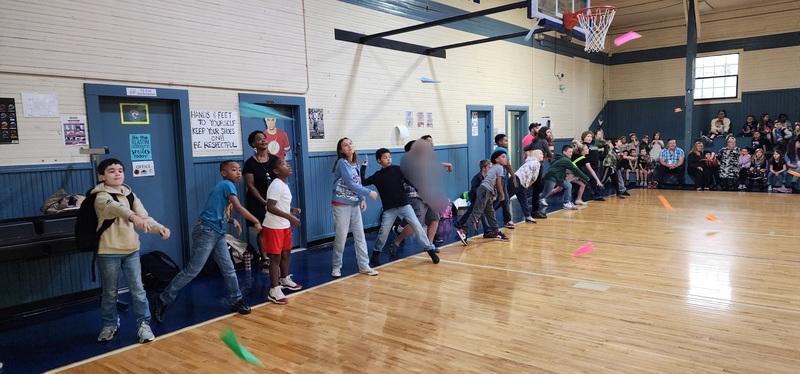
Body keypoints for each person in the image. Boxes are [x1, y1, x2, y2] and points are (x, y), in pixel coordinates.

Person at [152, 161, 261, 323]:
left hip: (218, 233)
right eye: (234, 170)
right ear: (224, 173)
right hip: (206, 231)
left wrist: (231, 221)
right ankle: (163, 299)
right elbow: (238, 208)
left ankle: (236, 299)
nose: (238, 173)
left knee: (228, 268)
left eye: (239, 170)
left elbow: (214, 211)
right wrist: (256, 221)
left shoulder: (224, 187)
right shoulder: (226, 185)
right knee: (192, 271)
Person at [92, 158, 170, 343]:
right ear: (102, 176)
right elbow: (117, 209)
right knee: (110, 292)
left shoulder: (130, 195)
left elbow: (144, 218)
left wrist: (159, 228)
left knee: (138, 290)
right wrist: (133, 217)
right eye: (111, 171)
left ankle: (144, 324)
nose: (117, 173)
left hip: (131, 250)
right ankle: (110, 324)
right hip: (108, 251)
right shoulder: (101, 196)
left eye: (120, 170)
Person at [361, 148, 439, 266]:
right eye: (385, 157)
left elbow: (410, 181)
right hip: (389, 209)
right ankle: (376, 253)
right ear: (379, 160)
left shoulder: (397, 170)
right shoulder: (377, 176)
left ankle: (430, 250)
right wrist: (363, 168)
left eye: (389, 157)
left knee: (417, 226)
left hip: (404, 205)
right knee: (383, 232)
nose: (388, 159)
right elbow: (363, 182)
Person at [330, 138, 379, 278]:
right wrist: (369, 193)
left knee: (360, 236)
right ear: (341, 150)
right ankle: (336, 266)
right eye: (345, 145)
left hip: (354, 204)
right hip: (341, 204)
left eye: (350, 143)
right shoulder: (341, 163)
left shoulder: (355, 164)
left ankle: (364, 265)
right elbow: (351, 184)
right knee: (341, 237)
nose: (349, 146)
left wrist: (362, 199)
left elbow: (358, 181)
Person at [263, 157, 303, 304]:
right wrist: (290, 216)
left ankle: (284, 279)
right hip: (274, 226)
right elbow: (270, 206)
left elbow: (280, 203)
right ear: (276, 171)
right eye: (284, 164)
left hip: (284, 225)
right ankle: (274, 290)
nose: (288, 165)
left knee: (286, 253)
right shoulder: (276, 184)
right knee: (275, 258)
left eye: (287, 163)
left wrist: (291, 209)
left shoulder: (283, 184)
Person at [456, 150, 511, 245]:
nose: (505, 158)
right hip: (484, 191)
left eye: (505, 156)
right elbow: (498, 184)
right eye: (503, 157)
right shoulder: (499, 168)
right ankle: (463, 231)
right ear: (497, 160)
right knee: (477, 212)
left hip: (487, 191)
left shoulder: (495, 168)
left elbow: (492, 183)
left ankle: (496, 232)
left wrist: (493, 194)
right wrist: (502, 195)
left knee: (490, 213)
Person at [243, 130, 277, 274]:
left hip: (274, 200)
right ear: (253, 144)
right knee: (262, 230)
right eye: (259, 139)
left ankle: (275, 257)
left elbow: (281, 180)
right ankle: (264, 260)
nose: (263, 140)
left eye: (264, 138)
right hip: (257, 200)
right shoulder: (250, 163)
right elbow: (250, 185)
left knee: (275, 229)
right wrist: (263, 201)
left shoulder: (275, 160)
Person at [538, 145, 590, 210]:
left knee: (568, 185)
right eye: (569, 152)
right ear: (564, 152)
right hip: (552, 177)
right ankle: (529, 200)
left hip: (559, 178)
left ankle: (567, 203)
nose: (571, 154)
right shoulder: (565, 160)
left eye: (572, 152)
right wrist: (585, 177)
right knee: (544, 194)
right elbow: (575, 170)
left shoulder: (560, 158)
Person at [455, 159, 493, 231]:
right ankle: (487, 229)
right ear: (483, 168)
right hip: (474, 197)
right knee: (479, 211)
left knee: (473, 211)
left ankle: (459, 223)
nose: (491, 169)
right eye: (489, 167)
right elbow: (476, 190)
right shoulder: (476, 178)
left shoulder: (489, 177)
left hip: (482, 197)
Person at [492, 134, 517, 229]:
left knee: (503, 199)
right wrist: (514, 177)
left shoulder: (498, 150)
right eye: (505, 141)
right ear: (499, 142)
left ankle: (487, 214)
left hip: (501, 177)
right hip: (500, 178)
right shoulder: (501, 151)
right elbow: (508, 165)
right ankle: (507, 220)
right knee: (504, 198)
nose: (507, 143)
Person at [515, 146, 543, 222]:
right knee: (504, 198)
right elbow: (533, 177)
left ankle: (528, 215)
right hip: (518, 181)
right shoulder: (536, 163)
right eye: (540, 154)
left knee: (523, 199)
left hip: (520, 181)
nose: (542, 155)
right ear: (536, 155)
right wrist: (527, 185)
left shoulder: (531, 162)